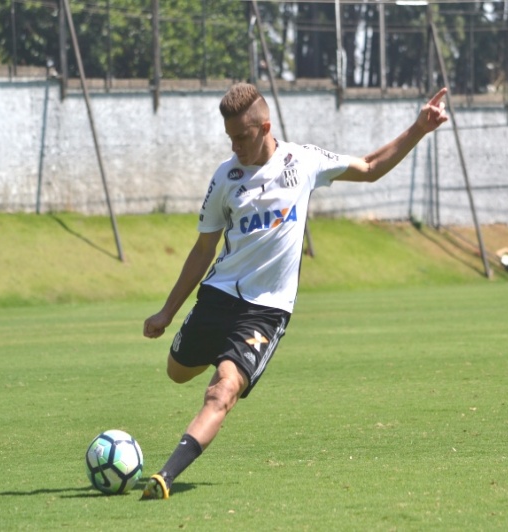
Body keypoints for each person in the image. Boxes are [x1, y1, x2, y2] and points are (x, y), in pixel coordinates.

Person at [140, 82, 449, 500]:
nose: (235, 147)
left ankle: (166, 476)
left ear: (265, 126)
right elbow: (203, 249)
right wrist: (166, 312)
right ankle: (220, 353)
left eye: (242, 137)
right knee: (177, 372)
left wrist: (418, 129)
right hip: (218, 296)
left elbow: (371, 166)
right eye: (229, 138)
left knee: (222, 391)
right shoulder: (225, 177)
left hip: (265, 311)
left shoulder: (303, 161)